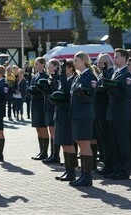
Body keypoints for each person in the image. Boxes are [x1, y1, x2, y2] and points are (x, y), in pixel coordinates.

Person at [104, 48, 131, 180]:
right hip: (113, 113)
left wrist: (111, 88)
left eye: (116, 57)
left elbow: (125, 95)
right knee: (114, 142)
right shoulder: (116, 73)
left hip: (121, 114)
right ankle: (116, 168)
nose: (114, 59)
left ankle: (124, 170)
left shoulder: (127, 75)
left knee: (123, 142)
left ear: (124, 58)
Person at [69, 51, 96, 186]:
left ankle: (87, 176)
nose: (74, 63)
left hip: (85, 115)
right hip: (77, 115)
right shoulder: (77, 77)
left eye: (76, 60)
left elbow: (92, 98)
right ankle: (83, 174)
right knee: (80, 144)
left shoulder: (90, 77)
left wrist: (83, 96)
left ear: (84, 61)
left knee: (85, 144)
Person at [54, 59, 78, 181]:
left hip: (67, 115)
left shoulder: (73, 80)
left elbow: (65, 91)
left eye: (66, 68)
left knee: (69, 143)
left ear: (71, 69)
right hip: (60, 114)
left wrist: (62, 75)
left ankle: (72, 171)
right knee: (63, 143)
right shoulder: (64, 79)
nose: (64, 70)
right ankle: (67, 169)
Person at [94, 53, 115, 175]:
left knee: (107, 139)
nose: (98, 64)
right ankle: (106, 163)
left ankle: (109, 164)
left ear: (107, 62)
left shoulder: (111, 73)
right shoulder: (102, 73)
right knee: (103, 139)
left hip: (105, 110)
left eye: (100, 62)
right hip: (99, 110)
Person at [29, 57, 49, 161]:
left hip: (41, 104)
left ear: (42, 65)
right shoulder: (34, 76)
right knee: (37, 128)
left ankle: (45, 152)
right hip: (35, 104)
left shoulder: (45, 76)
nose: (35, 66)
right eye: (35, 64)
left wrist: (38, 92)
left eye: (37, 64)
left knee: (42, 127)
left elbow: (44, 91)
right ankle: (41, 150)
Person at [42, 59, 60, 164]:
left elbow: (56, 91)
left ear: (56, 67)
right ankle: (52, 153)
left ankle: (55, 155)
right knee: (51, 131)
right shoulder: (49, 77)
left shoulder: (57, 78)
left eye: (50, 66)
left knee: (53, 132)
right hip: (48, 107)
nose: (48, 68)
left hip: (53, 107)